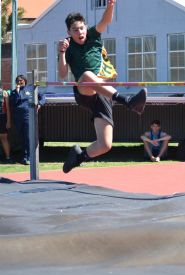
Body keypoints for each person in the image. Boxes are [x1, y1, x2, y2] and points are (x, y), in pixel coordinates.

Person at [58, 0, 147, 173]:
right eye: (75, 30)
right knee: (88, 76)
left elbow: (105, 21)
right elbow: (62, 74)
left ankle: (78, 157)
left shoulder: (93, 35)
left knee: (105, 144)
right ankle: (128, 101)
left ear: (86, 27)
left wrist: (111, 6)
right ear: (69, 32)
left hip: (103, 94)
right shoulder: (68, 47)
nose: (80, 32)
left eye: (81, 28)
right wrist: (61, 53)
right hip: (84, 90)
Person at [9, 75, 45, 165]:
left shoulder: (30, 88)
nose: (19, 82)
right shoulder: (13, 93)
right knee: (20, 137)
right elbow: (13, 104)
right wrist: (17, 92)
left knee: (28, 137)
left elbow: (42, 96)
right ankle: (23, 156)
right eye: (17, 81)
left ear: (24, 81)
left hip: (28, 116)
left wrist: (40, 104)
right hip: (18, 118)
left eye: (21, 81)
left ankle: (27, 157)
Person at [0, 88, 13, 163]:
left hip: (2, 117)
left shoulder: (4, 93)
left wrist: (8, 121)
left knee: (3, 137)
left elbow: (8, 109)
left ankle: (8, 157)